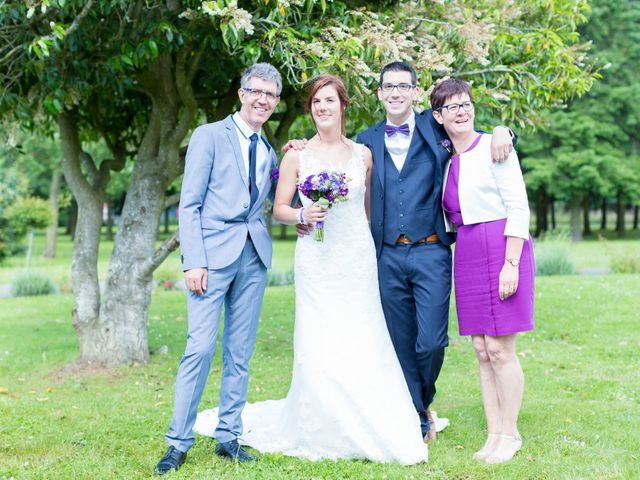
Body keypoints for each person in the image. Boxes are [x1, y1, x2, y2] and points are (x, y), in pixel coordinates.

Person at [194, 74, 429, 464]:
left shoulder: (363, 155)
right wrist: (303, 212)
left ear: (342, 106)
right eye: (316, 101)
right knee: (319, 340)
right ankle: (322, 422)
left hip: (355, 258)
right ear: (311, 108)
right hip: (316, 261)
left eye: (330, 101)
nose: (323, 107)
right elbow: (280, 207)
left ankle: (370, 415)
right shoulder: (296, 155)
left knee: (362, 336)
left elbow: (368, 211)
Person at [356, 61, 516, 441]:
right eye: (388, 86)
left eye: (403, 86)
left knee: (430, 342)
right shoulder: (366, 139)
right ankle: (416, 414)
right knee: (399, 340)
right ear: (379, 93)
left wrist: (502, 129)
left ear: (415, 92)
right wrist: (300, 146)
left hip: (432, 252)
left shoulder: (436, 124)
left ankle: (422, 398)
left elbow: (476, 133)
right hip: (387, 255)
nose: (395, 92)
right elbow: (333, 156)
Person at [153, 63, 283, 475]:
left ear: (276, 102)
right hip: (209, 258)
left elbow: (267, 204)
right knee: (200, 347)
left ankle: (229, 437)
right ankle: (177, 443)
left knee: (240, 352)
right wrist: (194, 261)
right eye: (255, 91)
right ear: (241, 94)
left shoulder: (269, 149)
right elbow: (188, 204)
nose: (262, 99)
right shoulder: (209, 135)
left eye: (270, 94)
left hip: (253, 257)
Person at [433, 78, 534, 464]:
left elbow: (519, 207)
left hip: (504, 244)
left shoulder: (496, 146)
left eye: (466, 104)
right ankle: (493, 434)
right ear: (439, 116)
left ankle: (510, 433)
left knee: (501, 348)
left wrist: (511, 264)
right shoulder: (445, 158)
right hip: (469, 250)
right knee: (480, 348)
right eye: (452, 107)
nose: (462, 112)